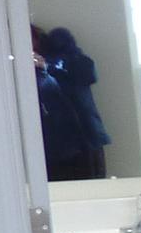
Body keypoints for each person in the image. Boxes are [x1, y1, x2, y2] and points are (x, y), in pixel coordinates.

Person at [32, 24, 111, 180]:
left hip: (83, 141)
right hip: (45, 148)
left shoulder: (62, 56)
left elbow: (86, 73)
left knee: (91, 189)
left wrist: (46, 65)